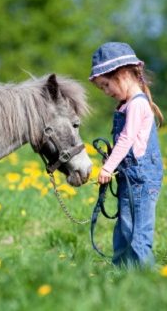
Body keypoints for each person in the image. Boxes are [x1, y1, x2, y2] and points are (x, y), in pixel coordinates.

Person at [89, 42, 163, 268]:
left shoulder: (137, 105)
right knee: (123, 228)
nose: (107, 92)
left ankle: (143, 278)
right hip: (129, 178)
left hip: (140, 179)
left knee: (137, 233)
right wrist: (113, 159)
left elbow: (127, 139)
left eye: (106, 85)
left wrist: (108, 167)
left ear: (122, 74)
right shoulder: (125, 105)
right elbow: (126, 145)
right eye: (102, 88)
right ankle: (121, 273)